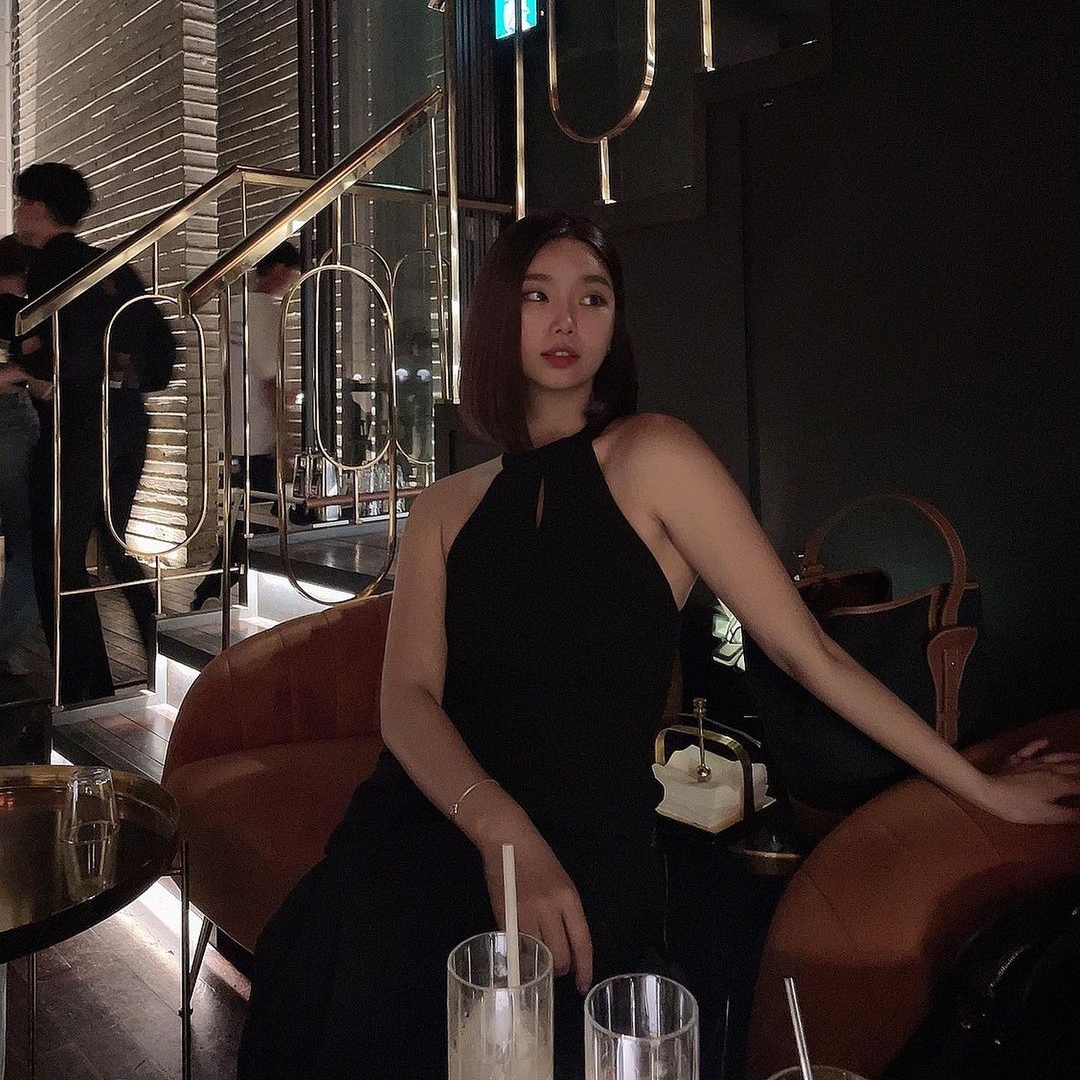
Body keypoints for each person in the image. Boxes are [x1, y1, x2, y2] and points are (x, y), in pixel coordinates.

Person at [237, 211, 1080, 1080]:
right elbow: (406, 700)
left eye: (593, 298)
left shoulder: (654, 458)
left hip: (587, 838)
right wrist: (500, 830)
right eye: (538, 296)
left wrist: (980, 786)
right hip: (432, 814)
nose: (567, 320)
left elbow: (811, 655)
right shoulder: (443, 509)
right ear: (498, 315)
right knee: (337, 953)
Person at [14, 162, 175, 702]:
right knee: (112, 542)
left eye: (21, 204)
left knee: (56, 556)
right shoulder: (113, 265)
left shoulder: (48, 267)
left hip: (77, 424)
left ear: (37, 208)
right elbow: (162, 352)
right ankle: (157, 648)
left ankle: (85, 690)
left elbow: (49, 355)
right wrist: (125, 370)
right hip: (127, 419)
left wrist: (34, 361)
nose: (17, 214)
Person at [190, 240, 301, 611]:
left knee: (244, 517)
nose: (291, 282)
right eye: (291, 275)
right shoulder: (265, 311)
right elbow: (270, 380)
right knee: (258, 521)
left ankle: (219, 589)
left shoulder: (235, 307)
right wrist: (285, 435)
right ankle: (219, 590)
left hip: (234, 434)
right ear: (280, 270)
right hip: (258, 436)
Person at [0, 236, 50, 676]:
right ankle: (4, 642)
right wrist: (24, 374)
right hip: (12, 421)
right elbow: (39, 382)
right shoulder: (21, 313)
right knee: (31, 544)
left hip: (15, 419)